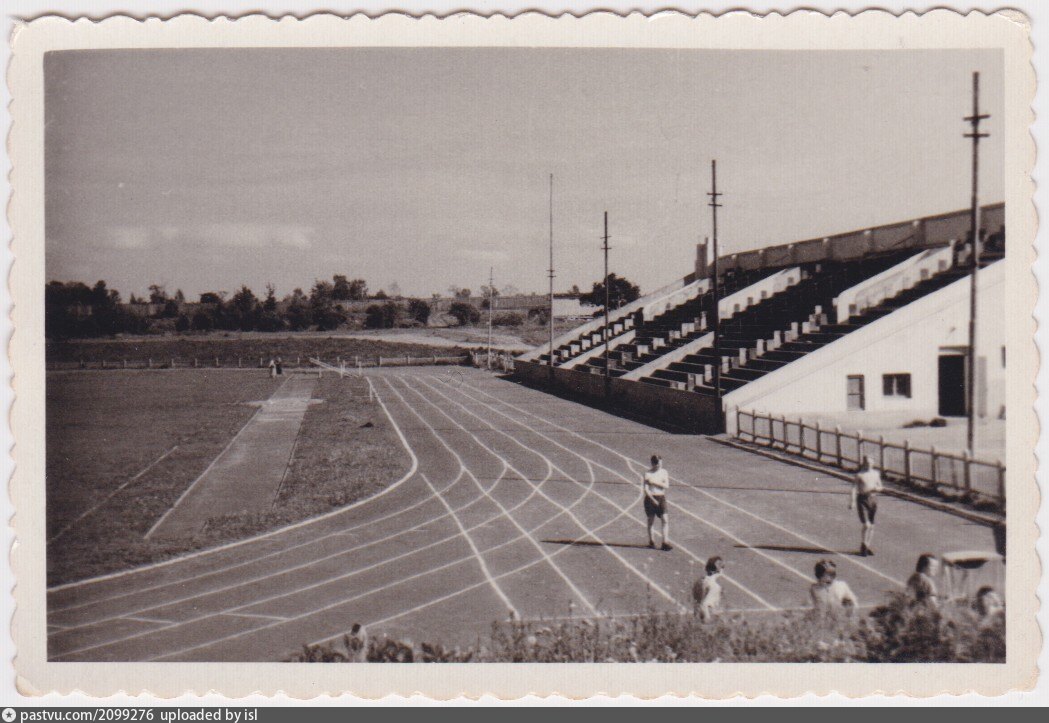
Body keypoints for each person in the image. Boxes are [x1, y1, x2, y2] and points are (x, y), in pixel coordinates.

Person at [850, 455, 883, 557]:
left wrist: (877, 489)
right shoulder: (859, 475)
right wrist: (852, 501)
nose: (868, 464)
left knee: (872, 525)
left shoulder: (876, 474)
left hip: (873, 499)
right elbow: (854, 488)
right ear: (864, 463)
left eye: (870, 462)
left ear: (873, 463)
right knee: (866, 524)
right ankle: (863, 545)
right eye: (866, 462)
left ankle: (867, 545)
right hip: (862, 499)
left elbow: (880, 486)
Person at [642, 454, 671, 551]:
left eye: (661, 463)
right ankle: (651, 541)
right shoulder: (648, 474)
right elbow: (646, 489)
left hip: (661, 497)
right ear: (653, 464)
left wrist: (654, 482)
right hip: (650, 498)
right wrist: (652, 499)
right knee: (651, 520)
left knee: (665, 519)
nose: (659, 466)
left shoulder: (664, 472)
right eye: (658, 464)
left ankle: (665, 542)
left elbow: (666, 486)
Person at [692, 556, 725, 622]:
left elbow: (697, 601)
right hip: (706, 619)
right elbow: (705, 605)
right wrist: (708, 618)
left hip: (698, 615)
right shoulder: (714, 586)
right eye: (722, 567)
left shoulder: (701, 581)